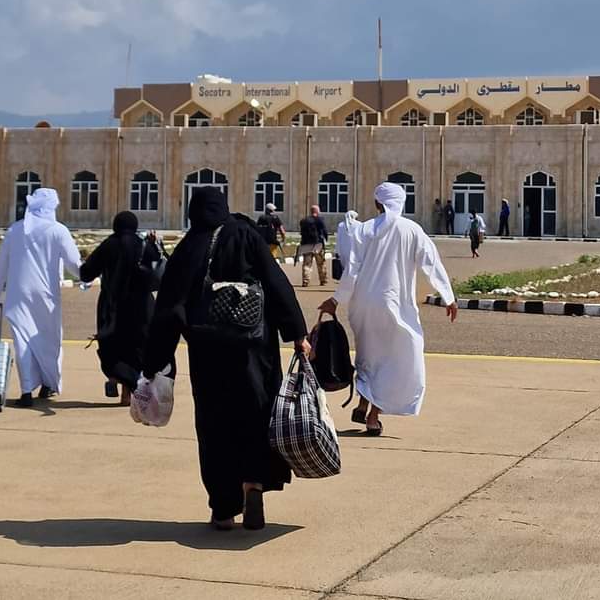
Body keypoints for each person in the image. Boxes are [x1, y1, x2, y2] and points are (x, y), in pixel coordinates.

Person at [143, 187, 309, 531]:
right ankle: (254, 485)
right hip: (254, 350)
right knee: (256, 417)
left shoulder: (190, 246)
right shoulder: (247, 235)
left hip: (209, 354)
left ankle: (223, 509)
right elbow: (277, 283)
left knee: (215, 427)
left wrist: (156, 358)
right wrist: (297, 333)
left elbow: (170, 308)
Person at [320, 182, 457, 436]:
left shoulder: (364, 230)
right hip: (396, 304)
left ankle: (363, 401)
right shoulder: (412, 230)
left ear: (377, 204)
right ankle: (373, 417)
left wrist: (337, 299)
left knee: (368, 356)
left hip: (364, 305)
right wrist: (448, 296)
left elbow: (351, 270)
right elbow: (431, 263)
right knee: (397, 359)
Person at [0, 188, 81, 408]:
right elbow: (74, 264)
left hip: (18, 294)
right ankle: (49, 383)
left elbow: (1, 266)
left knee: (22, 341)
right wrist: (86, 278)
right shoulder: (58, 231)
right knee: (49, 339)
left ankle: (27, 391)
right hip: (46, 295)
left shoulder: (15, 230)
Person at [79, 211, 164, 404]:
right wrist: (154, 244)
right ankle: (130, 388)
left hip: (112, 305)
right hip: (141, 306)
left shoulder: (109, 245)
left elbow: (86, 274)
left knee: (113, 345)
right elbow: (159, 268)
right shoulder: (142, 244)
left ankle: (117, 378)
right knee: (137, 346)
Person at [298, 204, 330, 287]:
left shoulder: (303, 221)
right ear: (316, 211)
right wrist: (326, 240)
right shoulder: (320, 220)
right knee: (321, 263)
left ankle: (306, 281)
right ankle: (323, 280)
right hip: (318, 244)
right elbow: (324, 231)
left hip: (306, 244)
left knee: (307, 264)